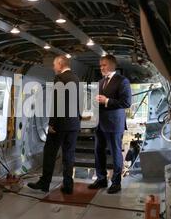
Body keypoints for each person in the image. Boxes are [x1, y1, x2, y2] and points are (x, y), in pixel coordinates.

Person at [27, 55, 81, 194]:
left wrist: (51, 124)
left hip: (60, 125)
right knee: (69, 155)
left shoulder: (60, 79)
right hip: (73, 124)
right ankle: (68, 185)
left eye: (54, 65)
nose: (53, 67)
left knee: (50, 152)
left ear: (60, 64)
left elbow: (57, 104)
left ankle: (44, 183)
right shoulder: (76, 79)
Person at [89, 55, 132, 194]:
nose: (101, 67)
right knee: (98, 152)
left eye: (104, 65)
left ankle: (116, 182)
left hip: (114, 124)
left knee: (115, 153)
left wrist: (107, 101)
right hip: (100, 123)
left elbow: (126, 102)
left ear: (113, 65)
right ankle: (101, 179)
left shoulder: (122, 81)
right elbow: (99, 101)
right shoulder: (101, 82)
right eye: (100, 65)